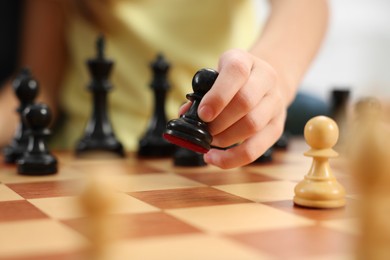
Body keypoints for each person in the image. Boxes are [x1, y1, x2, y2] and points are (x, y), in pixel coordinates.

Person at [0, 0, 329, 169]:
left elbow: (305, 7)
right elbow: (39, 85)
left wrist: (273, 73)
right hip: (84, 159)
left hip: (221, 151)